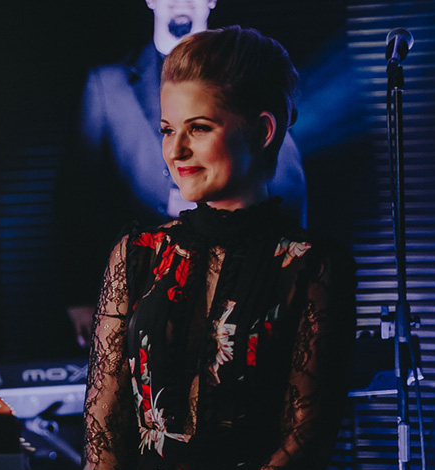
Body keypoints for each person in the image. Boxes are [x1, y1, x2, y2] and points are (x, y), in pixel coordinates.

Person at [78, 26, 354, 470]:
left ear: (262, 130)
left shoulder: (312, 266)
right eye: (166, 130)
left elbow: (304, 442)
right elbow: (101, 424)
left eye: (198, 128)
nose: (176, 150)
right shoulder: (135, 254)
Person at [55, 0, 307, 347]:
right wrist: (79, 295)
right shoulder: (108, 83)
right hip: (140, 290)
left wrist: (285, 278)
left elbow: (286, 184)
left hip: (239, 288)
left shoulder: (252, 72)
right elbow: (76, 195)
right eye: (168, 130)